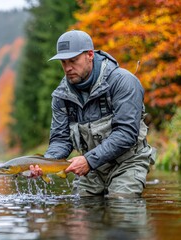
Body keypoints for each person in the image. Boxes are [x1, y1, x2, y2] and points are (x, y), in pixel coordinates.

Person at [29, 30, 156, 198]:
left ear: (90, 55)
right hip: (91, 169)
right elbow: (61, 139)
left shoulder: (123, 82)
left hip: (128, 162)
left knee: (120, 205)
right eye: (63, 62)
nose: (67, 68)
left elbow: (126, 134)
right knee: (82, 209)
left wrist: (89, 160)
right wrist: (45, 163)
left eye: (73, 61)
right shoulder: (61, 95)